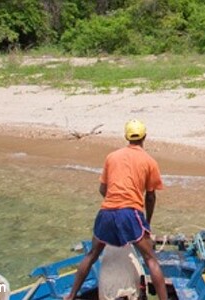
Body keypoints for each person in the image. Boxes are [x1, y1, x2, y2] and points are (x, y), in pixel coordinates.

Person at [65, 119, 169, 300]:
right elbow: (150, 197)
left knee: (92, 254)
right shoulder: (149, 161)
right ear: (144, 137)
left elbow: (102, 189)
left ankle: (71, 295)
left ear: (126, 137)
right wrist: (147, 224)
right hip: (130, 213)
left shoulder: (111, 157)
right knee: (151, 259)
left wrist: (114, 204)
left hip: (106, 212)